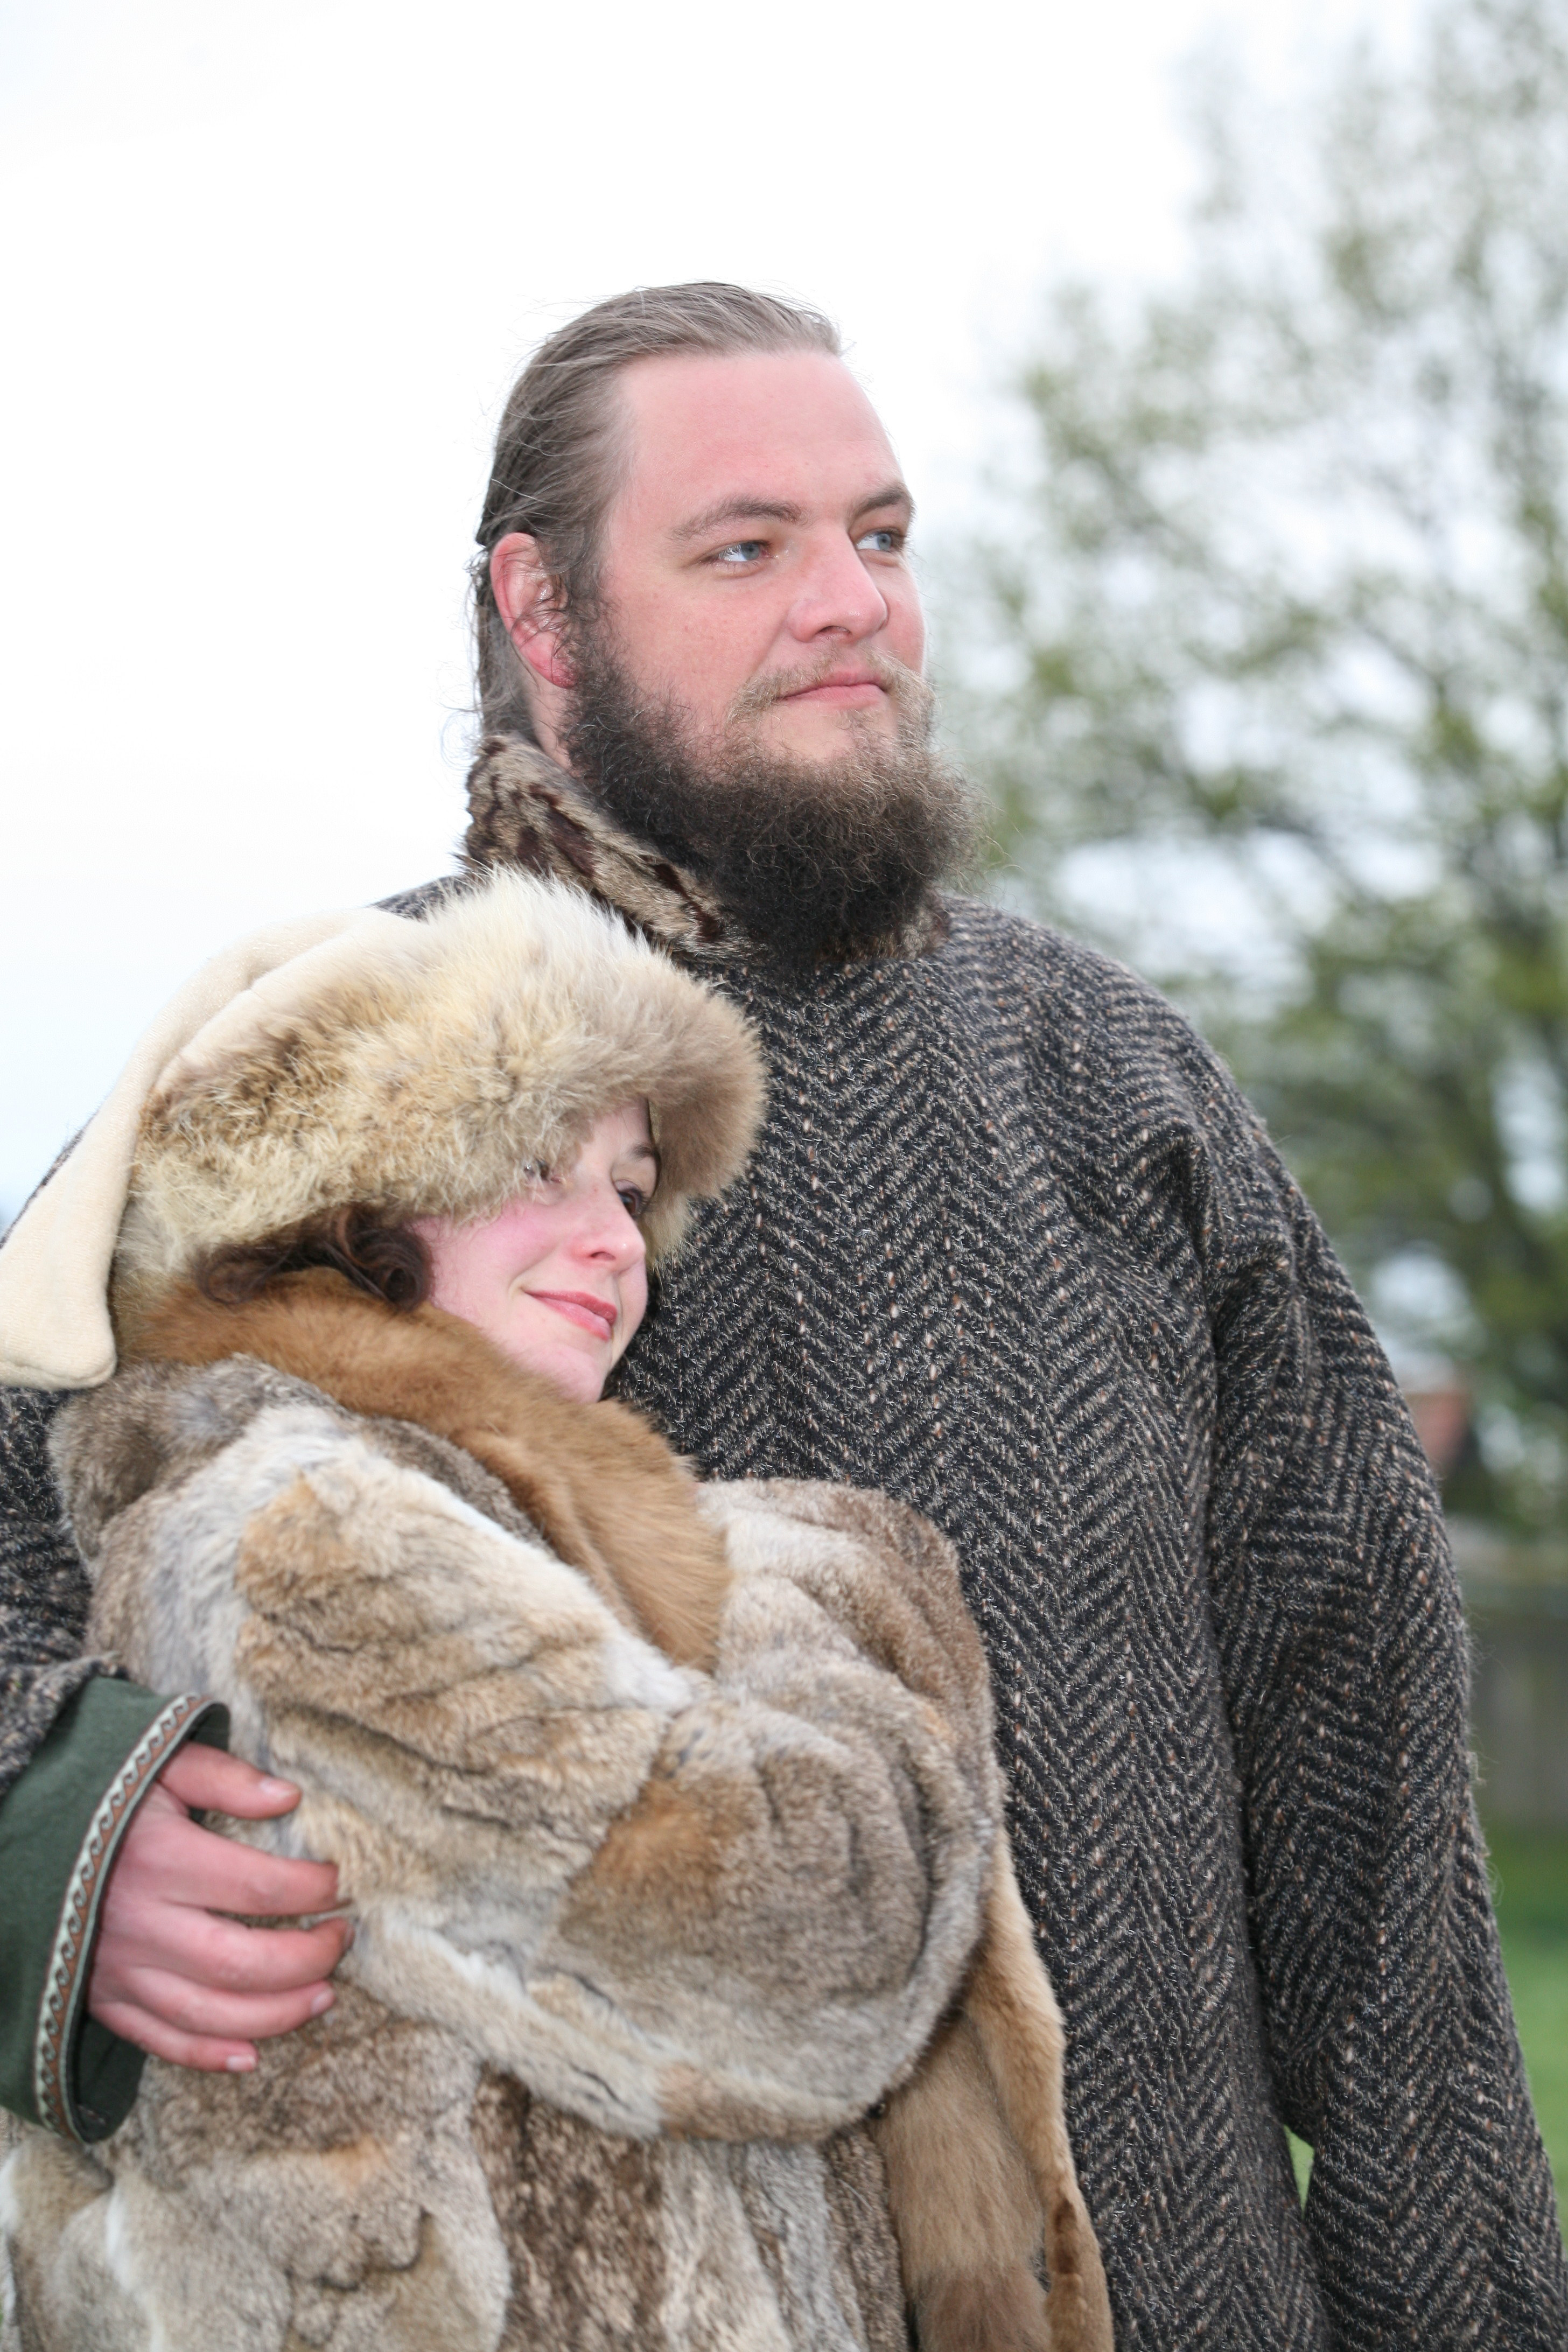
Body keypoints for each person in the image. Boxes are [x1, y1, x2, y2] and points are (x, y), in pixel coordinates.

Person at [0, 279, 1564, 2346]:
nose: (855, 604)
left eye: (882, 536)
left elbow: (1378, 1841)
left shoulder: (1111, 1084)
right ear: (541, 608)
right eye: (747, 548)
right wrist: (60, 1843)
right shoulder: (315, 1070)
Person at [0, 869, 1109, 2350]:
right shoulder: (319, 1532)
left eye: (633, 1193)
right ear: (338, 1191)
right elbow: (806, 1960)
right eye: (541, 1165)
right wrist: (815, 1589)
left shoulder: (463, 1523)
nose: (619, 1244)